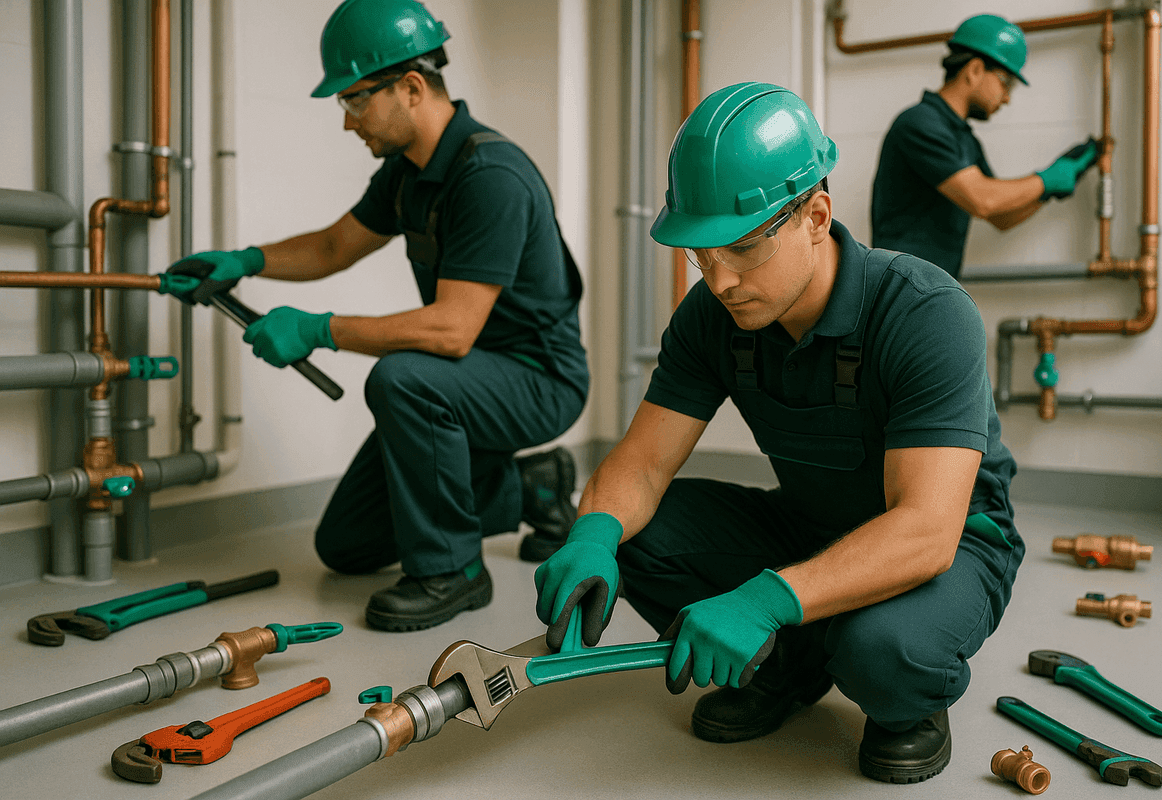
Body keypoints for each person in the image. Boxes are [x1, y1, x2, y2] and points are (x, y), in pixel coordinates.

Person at [534, 82, 1021, 785]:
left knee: (879, 650)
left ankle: (904, 704)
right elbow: (640, 465)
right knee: (630, 531)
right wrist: (591, 536)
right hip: (811, 524)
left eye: (740, 250)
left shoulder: (923, 313)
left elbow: (925, 529)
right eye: (700, 255)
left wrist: (763, 598)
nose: (720, 280)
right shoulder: (713, 317)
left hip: (950, 543)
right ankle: (787, 667)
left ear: (817, 216)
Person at [161, 0, 588, 632]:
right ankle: (534, 487)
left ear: (412, 87)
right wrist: (244, 260)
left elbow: (450, 330)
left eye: (356, 100)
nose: (347, 122)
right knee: (347, 545)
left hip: (537, 379)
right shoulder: (408, 173)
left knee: (402, 378)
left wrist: (316, 329)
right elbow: (336, 245)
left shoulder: (490, 176)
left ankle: (454, 571)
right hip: (469, 377)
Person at [871, 13, 1099, 279]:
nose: (1007, 99)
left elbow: (1001, 217)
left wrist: (1055, 183)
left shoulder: (964, 139)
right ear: (975, 70)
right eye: (1006, 83)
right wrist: (1046, 180)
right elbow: (983, 200)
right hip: (899, 288)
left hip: (931, 287)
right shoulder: (919, 123)